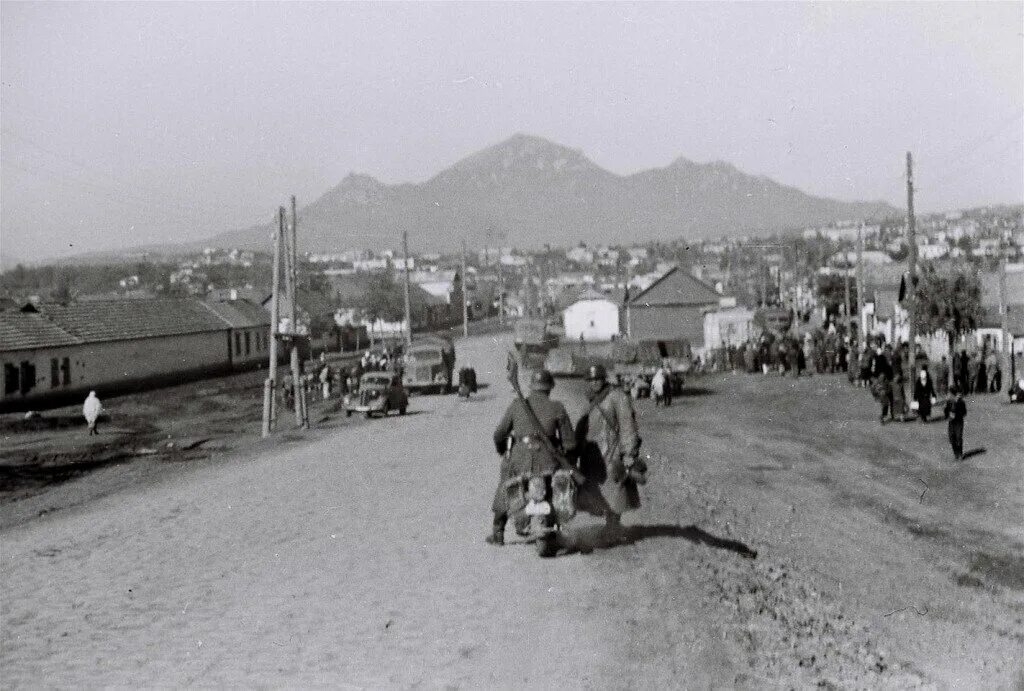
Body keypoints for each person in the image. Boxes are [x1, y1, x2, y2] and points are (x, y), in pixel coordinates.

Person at [487, 369, 576, 546]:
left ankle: (498, 531)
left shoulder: (516, 405)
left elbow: (499, 434)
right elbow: (570, 442)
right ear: (550, 388)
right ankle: (559, 519)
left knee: (505, 481)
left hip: (520, 459)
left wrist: (502, 450)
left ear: (532, 387)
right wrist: (566, 456)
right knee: (561, 482)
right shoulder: (557, 407)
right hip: (549, 459)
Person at [575, 364, 645, 533]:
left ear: (604, 379)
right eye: (591, 380)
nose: (594, 383)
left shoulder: (617, 396)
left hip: (611, 450)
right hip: (591, 453)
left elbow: (627, 425)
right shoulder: (589, 399)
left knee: (614, 487)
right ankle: (608, 522)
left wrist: (629, 452)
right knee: (596, 488)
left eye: (597, 379)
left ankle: (613, 524)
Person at [870, 343, 893, 424]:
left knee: (883, 401)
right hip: (884, 384)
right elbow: (889, 371)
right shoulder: (884, 361)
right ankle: (884, 415)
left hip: (878, 385)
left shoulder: (875, 360)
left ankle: (884, 415)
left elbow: (872, 372)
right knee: (886, 400)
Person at [944, 387, 967, 460]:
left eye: (950, 394)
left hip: (959, 422)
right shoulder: (949, 402)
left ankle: (960, 454)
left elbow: (964, 412)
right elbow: (946, 412)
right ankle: (955, 454)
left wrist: (956, 414)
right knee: (952, 438)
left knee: (958, 437)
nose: (949, 395)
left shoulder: (961, 402)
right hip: (951, 422)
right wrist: (947, 412)